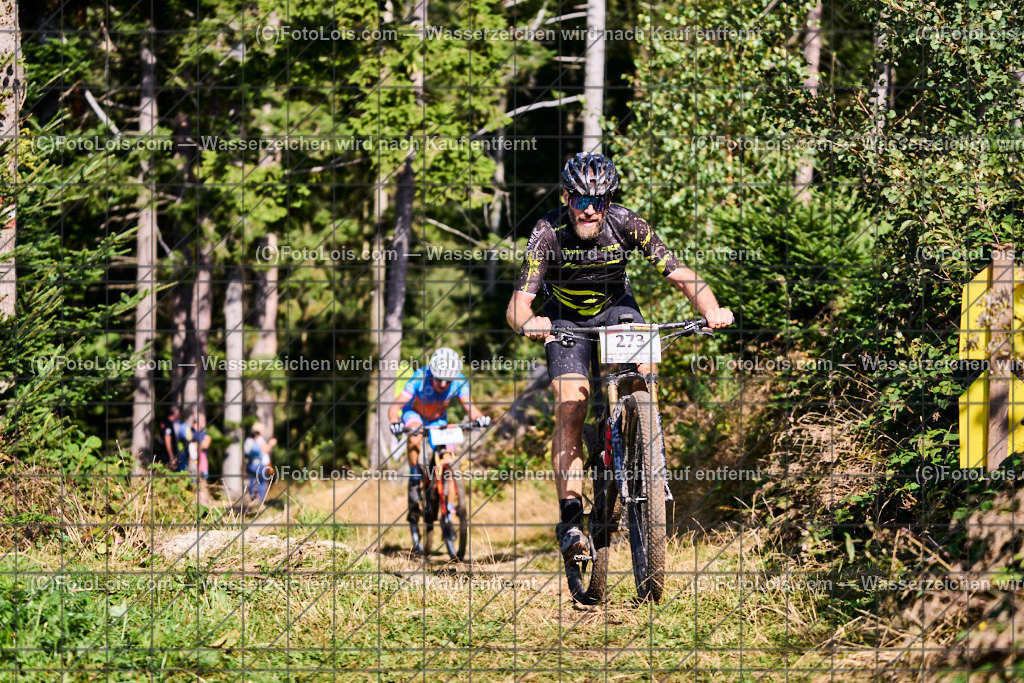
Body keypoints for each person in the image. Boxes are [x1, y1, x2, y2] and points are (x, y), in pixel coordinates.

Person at [505, 152, 734, 563]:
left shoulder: (628, 223)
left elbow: (681, 275)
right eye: (580, 200)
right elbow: (518, 305)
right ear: (566, 198)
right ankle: (572, 520)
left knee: (645, 371)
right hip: (564, 319)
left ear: (609, 202)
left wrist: (710, 309)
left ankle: (642, 445)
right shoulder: (547, 232)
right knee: (571, 405)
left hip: (616, 308)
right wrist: (529, 322)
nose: (589, 210)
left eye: (598, 201)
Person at [388, 347, 490, 554]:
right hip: (414, 414)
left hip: (438, 421)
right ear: (432, 374)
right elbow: (395, 406)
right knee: (415, 434)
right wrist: (395, 422)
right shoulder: (419, 378)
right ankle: (415, 475)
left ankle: (447, 511)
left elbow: (470, 408)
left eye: (448, 380)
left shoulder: (459, 381)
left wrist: (480, 418)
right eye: (439, 380)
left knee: (449, 457)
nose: (444, 384)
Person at [243, 422, 276, 504]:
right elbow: (264, 450)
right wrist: (271, 444)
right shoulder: (258, 439)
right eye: (263, 429)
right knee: (261, 483)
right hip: (259, 465)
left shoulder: (249, 439)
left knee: (253, 482)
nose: (264, 431)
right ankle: (259, 502)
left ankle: (253, 500)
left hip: (251, 464)